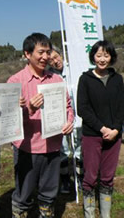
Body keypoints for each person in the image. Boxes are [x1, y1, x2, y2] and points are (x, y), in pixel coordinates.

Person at [7, 33, 74, 218]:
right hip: (27, 149)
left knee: (48, 194)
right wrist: (28, 108)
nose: (46, 57)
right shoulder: (15, 81)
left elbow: (68, 106)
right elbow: (8, 121)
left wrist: (69, 121)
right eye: (41, 52)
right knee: (23, 195)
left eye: (48, 52)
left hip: (52, 146)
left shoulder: (56, 80)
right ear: (27, 54)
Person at [77, 40, 124, 218]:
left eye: (106, 55)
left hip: (114, 136)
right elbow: (83, 108)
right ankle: (89, 214)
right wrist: (102, 128)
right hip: (92, 135)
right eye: (98, 55)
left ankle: (106, 214)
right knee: (90, 176)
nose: (102, 59)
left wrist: (116, 129)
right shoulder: (85, 79)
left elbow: (123, 106)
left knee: (107, 177)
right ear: (93, 57)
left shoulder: (117, 79)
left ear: (111, 57)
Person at [48, 46, 83, 194]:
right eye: (51, 60)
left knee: (79, 148)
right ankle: (64, 180)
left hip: (77, 116)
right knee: (62, 149)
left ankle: (80, 178)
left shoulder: (73, 69)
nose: (56, 61)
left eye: (56, 57)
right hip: (59, 118)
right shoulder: (49, 76)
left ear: (61, 55)